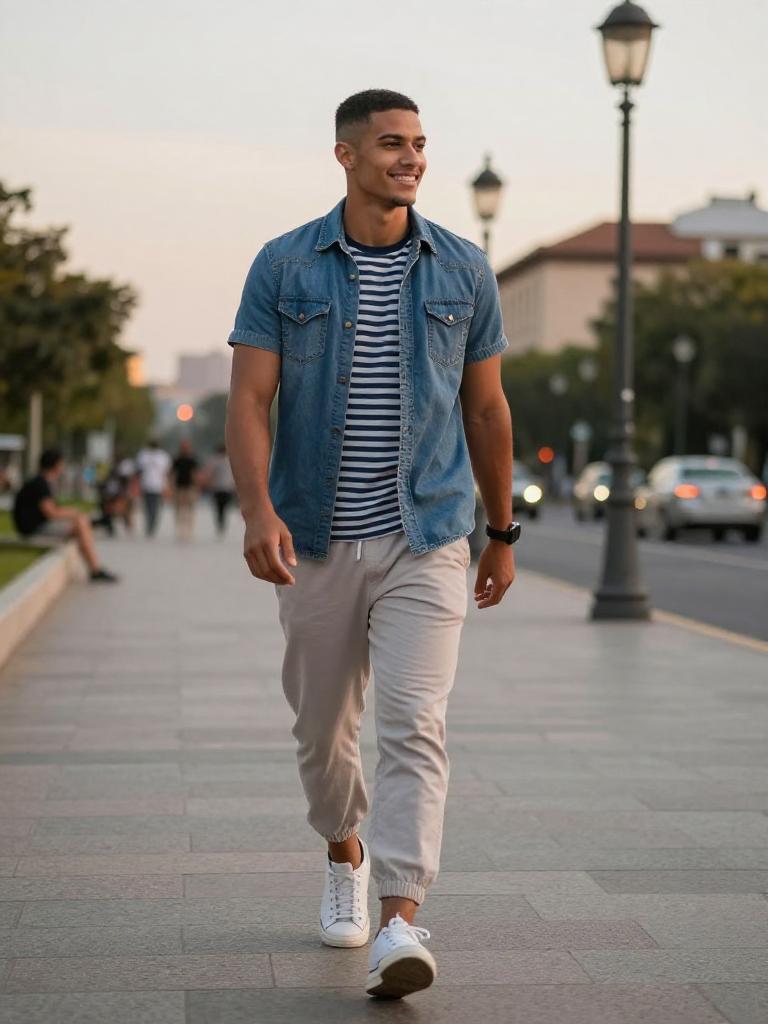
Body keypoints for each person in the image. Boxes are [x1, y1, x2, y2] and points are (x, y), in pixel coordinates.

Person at [226, 89, 517, 999]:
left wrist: (501, 533)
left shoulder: (464, 270)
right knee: (324, 734)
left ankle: (399, 919)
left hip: (428, 534)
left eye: (421, 144)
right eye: (393, 144)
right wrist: (257, 511)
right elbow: (247, 400)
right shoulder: (285, 264)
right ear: (345, 155)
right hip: (314, 537)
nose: (413, 158)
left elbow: (486, 407)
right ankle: (343, 851)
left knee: (414, 726)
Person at [12, 448, 119, 582]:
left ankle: (95, 567)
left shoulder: (41, 482)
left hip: (37, 525)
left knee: (81, 522)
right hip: (32, 529)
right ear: (56, 465)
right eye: (62, 464)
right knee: (81, 522)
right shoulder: (40, 483)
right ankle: (95, 569)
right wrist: (73, 512)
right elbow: (51, 512)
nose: (63, 467)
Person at [136, 439, 171, 537]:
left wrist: (166, 486)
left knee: (155, 508)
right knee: (147, 507)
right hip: (146, 485)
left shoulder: (163, 456)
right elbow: (139, 470)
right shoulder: (143, 455)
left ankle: (152, 525)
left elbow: (166, 472)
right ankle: (148, 524)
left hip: (158, 486)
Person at [203, 443, 236, 536]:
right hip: (225, 488)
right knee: (223, 508)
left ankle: (220, 522)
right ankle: (221, 523)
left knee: (219, 508)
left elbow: (209, 473)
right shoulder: (230, 460)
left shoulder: (214, 460)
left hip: (218, 488)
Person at [170, 439, 200, 542]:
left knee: (190, 509)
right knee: (178, 509)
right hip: (179, 487)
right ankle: (179, 529)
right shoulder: (176, 459)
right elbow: (173, 474)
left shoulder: (192, 460)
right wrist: (171, 486)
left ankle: (189, 530)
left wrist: (196, 486)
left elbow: (195, 474)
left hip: (190, 488)